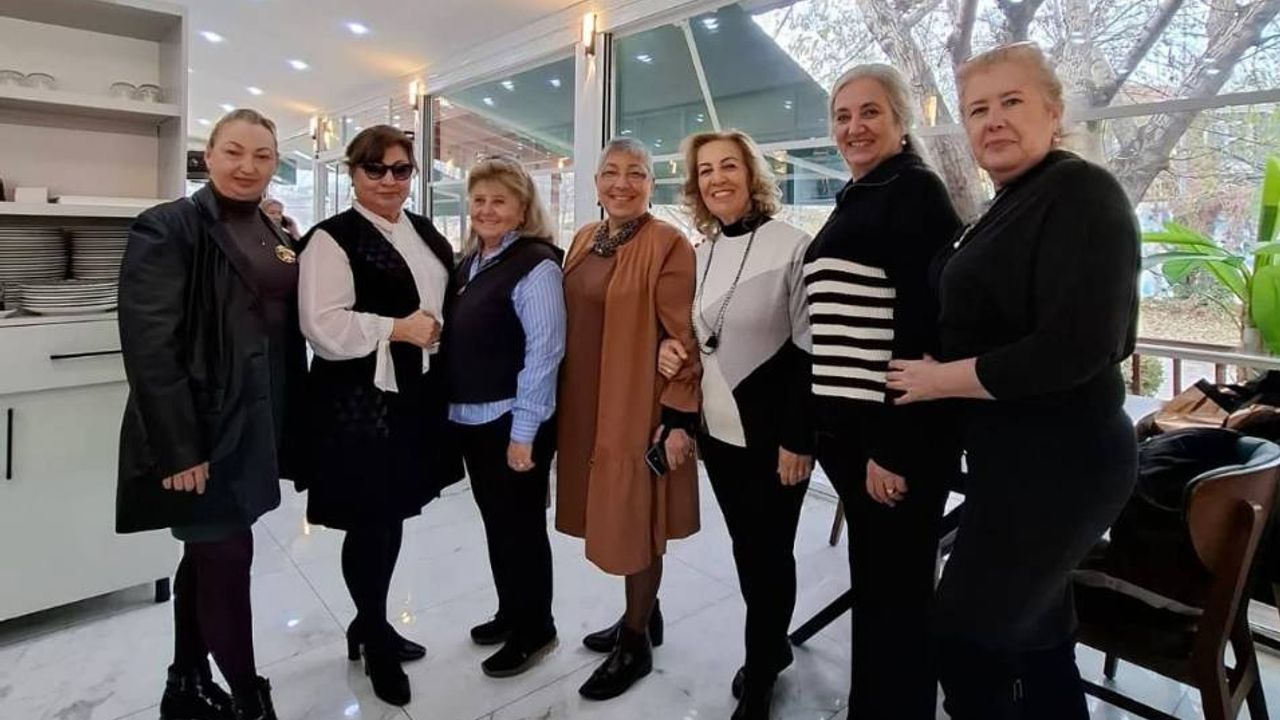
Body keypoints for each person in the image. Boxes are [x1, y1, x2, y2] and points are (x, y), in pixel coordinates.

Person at [886, 43, 1140, 719]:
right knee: (1037, 636)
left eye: (1011, 102)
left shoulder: (1082, 193)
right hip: (1012, 462)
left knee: (967, 637)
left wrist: (941, 380)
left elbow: (1079, 347)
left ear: (1053, 113)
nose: (992, 120)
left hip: (1063, 465)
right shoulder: (1008, 203)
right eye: (977, 110)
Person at [117, 108, 306, 720]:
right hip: (203, 433)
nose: (247, 166)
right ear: (209, 154)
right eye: (234, 152)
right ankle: (251, 700)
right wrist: (179, 449)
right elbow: (150, 347)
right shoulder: (168, 226)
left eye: (262, 156)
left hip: (255, 426)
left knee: (205, 558)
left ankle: (185, 684)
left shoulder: (270, 230)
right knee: (227, 562)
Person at [793, 64, 965, 717]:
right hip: (853, 432)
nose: (854, 127)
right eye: (842, 116)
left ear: (900, 120)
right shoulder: (863, 192)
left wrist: (894, 448)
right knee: (879, 587)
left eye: (870, 112)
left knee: (898, 596)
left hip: (893, 436)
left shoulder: (915, 191)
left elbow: (925, 328)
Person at [297, 125, 462, 706]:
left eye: (401, 169)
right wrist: (396, 327)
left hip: (412, 396)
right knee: (370, 519)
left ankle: (371, 623)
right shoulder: (330, 239)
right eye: (376, 169)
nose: (390, 180)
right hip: (359, 401)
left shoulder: (422, 229)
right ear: (353, 173)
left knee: (392, 516)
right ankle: (373, 634)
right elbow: (322, 326)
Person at [656, 129, 814, 720]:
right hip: (718, 436)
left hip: (775, 439)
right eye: (705, 170)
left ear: (751, 174)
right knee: (750, 552)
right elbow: (694, 344)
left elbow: (810, 353)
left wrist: (799, 438)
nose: (717, 178)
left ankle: (763, 670)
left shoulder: (793, 245)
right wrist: (669, 355)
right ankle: (773, 647)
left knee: (770, 556)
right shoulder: (700, 254)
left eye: (729, 166)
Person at [556, 137, 701, 701]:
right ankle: (643, 614)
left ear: (651, 184)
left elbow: (683, 337)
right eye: (611, 172)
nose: (622, 183)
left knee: (637, 518)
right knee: (611, 511)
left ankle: (635, 643)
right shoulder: (584, 239)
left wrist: (677, 417)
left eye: (635, 173)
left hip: (636, 404)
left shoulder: (668, 243)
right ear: (596, 182)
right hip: (587, 400)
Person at [447, 157, 565, 678]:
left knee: (521, 529)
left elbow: (544, 353)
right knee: (498, 524)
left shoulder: (536, 265)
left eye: (499, 201)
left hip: (514, 422)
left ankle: (536, 628)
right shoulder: (473, 262)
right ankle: (511, 610)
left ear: (522, 209)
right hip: (473, 420)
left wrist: (524, 435)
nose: (487, 210)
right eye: (479, 200)